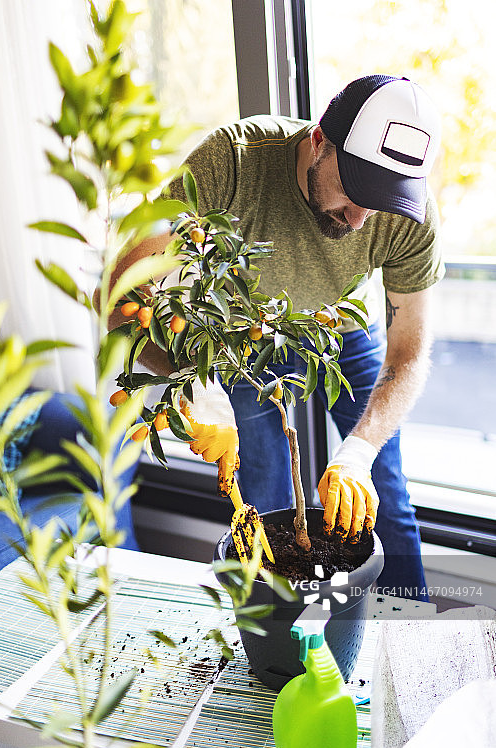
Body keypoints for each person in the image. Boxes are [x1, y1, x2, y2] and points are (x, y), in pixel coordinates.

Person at [110, 75, 444, 598]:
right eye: (356, 191)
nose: (361, 220)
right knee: (264, 502)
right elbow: (124, 296)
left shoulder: (407, 215)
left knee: (386, 499)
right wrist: (196, 385)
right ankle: (278, 657)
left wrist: (357, 452)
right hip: (247, 338)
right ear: (318, 143)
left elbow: (409, 352)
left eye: (382, 202)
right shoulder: (233, 161)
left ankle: (408, 648)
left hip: (343, 329)